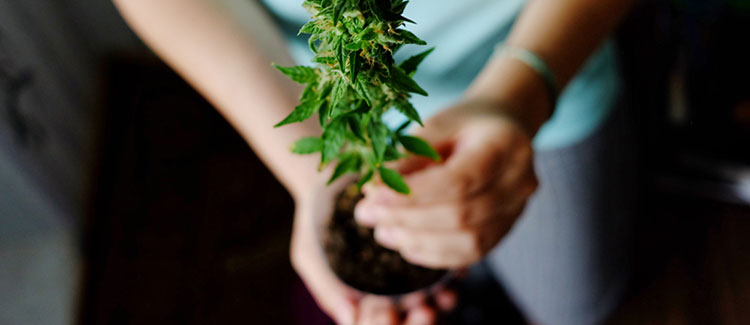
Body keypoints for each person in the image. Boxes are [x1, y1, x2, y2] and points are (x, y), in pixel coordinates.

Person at [113, 0, 636, 323]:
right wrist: (316, 174)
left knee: (574, 307)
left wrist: (523, 95)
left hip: (549, 76)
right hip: (338, 105)